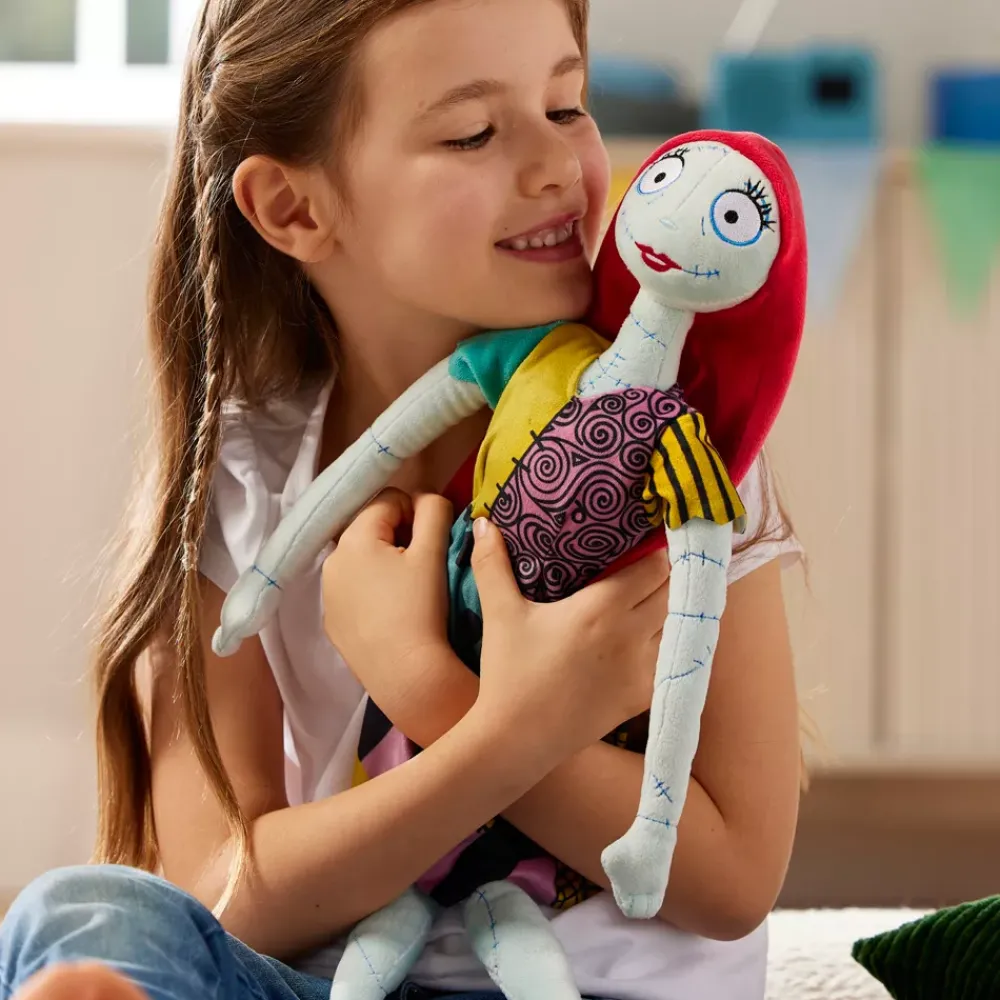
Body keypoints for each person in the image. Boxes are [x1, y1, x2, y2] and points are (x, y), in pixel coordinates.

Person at [0, 1, 805, 998]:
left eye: (566, 105)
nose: (557, 166)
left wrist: (432, 691)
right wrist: (502, 733)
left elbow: (732, 882)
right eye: (473, 132)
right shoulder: (250, 470)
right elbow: (226, 889)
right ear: (294, 209)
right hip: (342, 980)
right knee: (83, 910)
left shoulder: (674, 449)